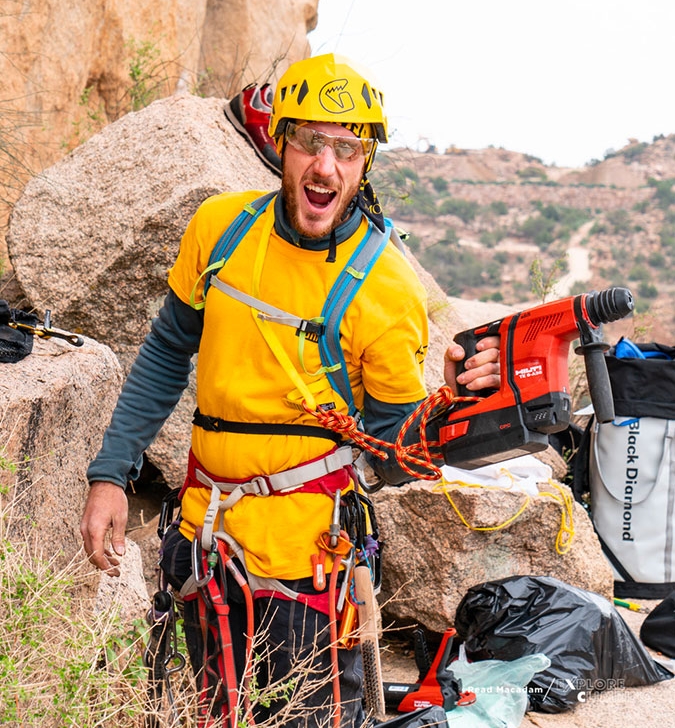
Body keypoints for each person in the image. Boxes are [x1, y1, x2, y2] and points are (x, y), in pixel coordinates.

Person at [80, 53, 499, 727]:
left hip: (308, 566)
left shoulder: (386, 289)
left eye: (346, 148)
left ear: (365, 163)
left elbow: (389, 459)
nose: (324, 166)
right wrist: (110, 475)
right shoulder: (219, 229)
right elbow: (164, 353)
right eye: (308, 141)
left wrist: (453, 403)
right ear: (279, 143)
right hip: (205, 538)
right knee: (214, 714)